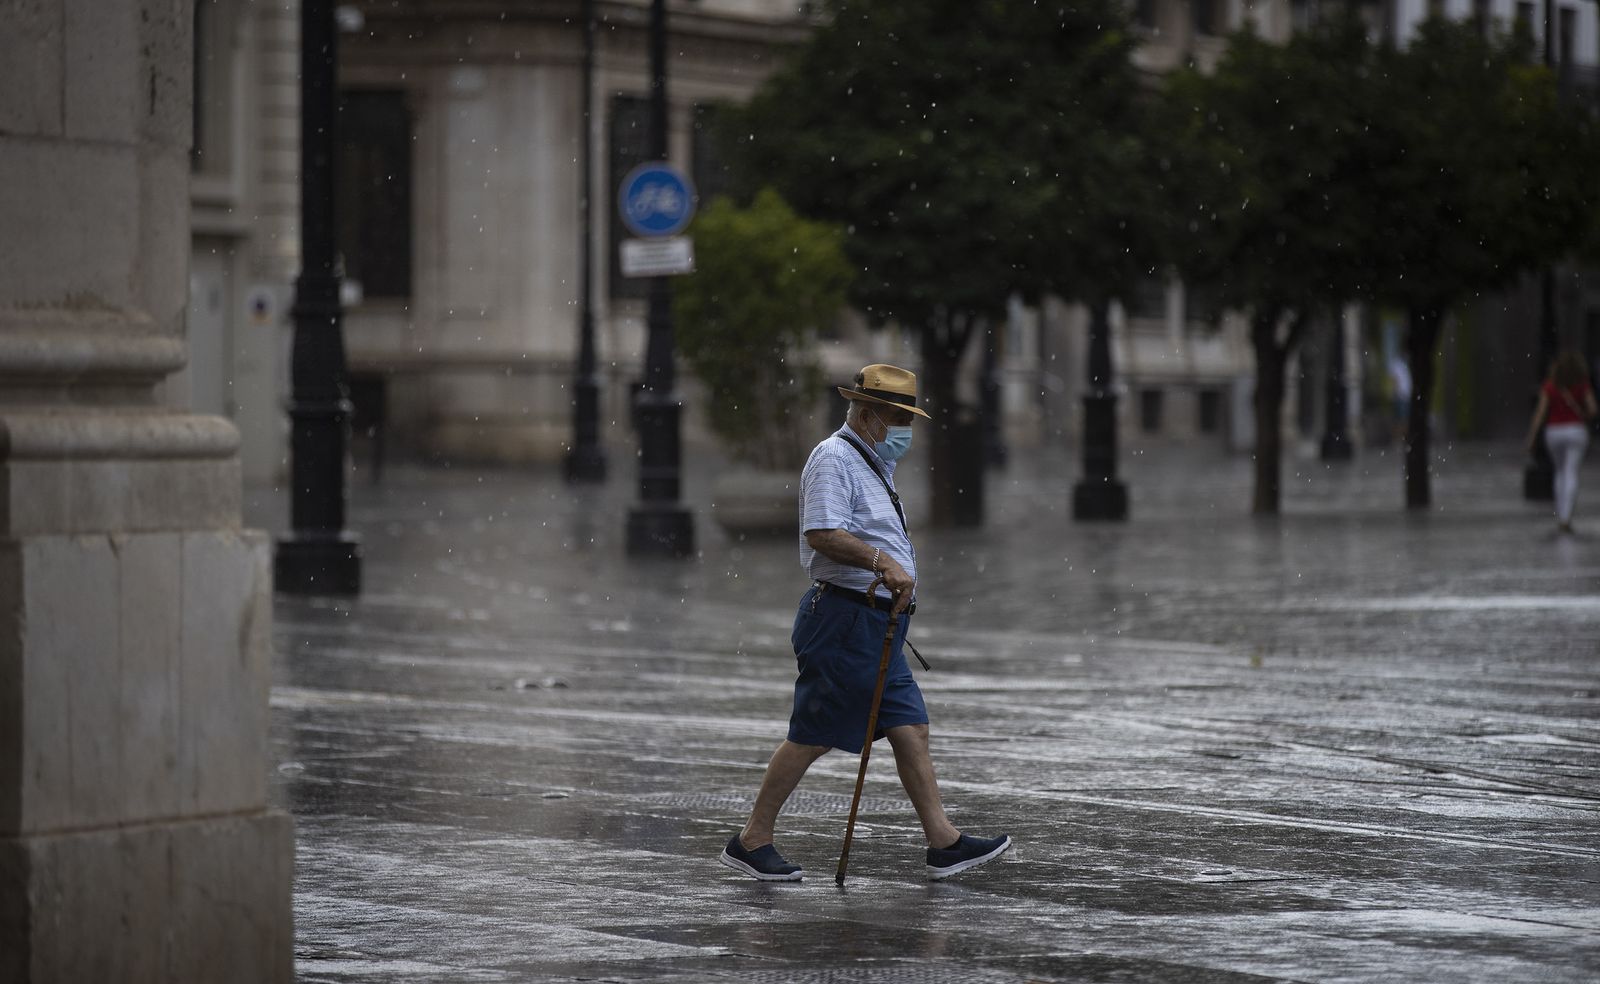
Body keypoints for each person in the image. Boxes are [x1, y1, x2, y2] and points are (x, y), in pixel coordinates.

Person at [718, 364, 1012, 882]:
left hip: (877, 625)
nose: (906, 430)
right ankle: (752, 839)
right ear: (868, 413)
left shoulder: (873, 462)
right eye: (898, 418)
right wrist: (882, 562)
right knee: (813, 733)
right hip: (843, 621)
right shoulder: (834, 459)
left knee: (911, 728)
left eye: (909, 419)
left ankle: (943, 843)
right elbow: (822, 533)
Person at [1524, 351, 1599, 533]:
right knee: (1571, 471)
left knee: (1559, 472)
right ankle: (1567, 517)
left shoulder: (1550, 386)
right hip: (1576, 431)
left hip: (1554, 432)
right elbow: (1593, 409)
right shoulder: (1582, 385)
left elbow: (1540, 414)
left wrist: (1532, 437)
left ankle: (1561, 515)